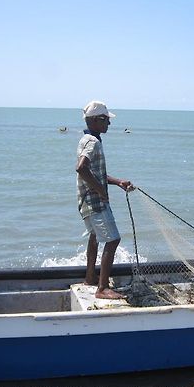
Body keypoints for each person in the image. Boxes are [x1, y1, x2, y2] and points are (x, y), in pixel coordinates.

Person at [76, 101, 133, 299]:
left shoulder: (87, 139)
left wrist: (118, 182)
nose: (109, 124)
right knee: (113, 239)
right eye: (106, 120)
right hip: (95, 202)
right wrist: (101, 191)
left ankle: (90, 277)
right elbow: (81, 169)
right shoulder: (93, 142)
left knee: (95, 237)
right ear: (95, 120)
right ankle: (102, 288)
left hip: (85, 202)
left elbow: (95, 172)